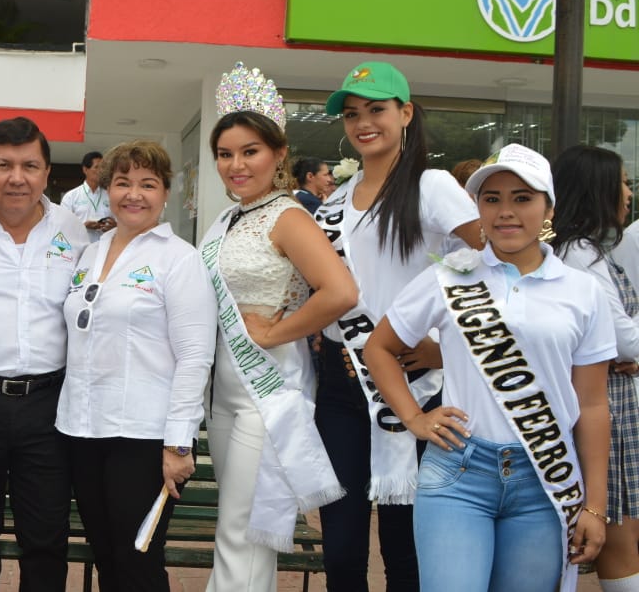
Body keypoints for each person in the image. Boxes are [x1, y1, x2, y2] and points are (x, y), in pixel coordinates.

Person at [364, 143, 612, 592]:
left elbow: (593, 405)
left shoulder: (584, 291)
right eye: (491, 199)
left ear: (548, 208)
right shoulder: (449, 276)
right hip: (458, 471)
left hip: (544, 476)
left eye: (522, 198)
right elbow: (379, 348)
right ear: (476, 207)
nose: (505, 212)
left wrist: (595, 505)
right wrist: (414, 418)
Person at [313, 61, 482, 592]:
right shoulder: (335, 202)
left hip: (419, 385)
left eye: (377, 110)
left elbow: (487, 260)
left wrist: (443, 348)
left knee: (406, 546)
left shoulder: (431, 185)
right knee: (340, 546)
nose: (364, 122)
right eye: (353, 114)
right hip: (341, 386)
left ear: (405, 113)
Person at [200, 63, 357, 591]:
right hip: (223, 395)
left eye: (250, 152)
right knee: (242, 528)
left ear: (279, 154)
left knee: (242, 533)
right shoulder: (228, 219)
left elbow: (341, 292)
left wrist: (273, 332)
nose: (236, 164)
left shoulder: (289, 216)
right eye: (226, 153)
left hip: (267, 393)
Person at [57, 140, 215, 591]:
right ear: (107, 189)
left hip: (143, 437)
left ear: (166, 193)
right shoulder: (90, 252)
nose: (134, 194)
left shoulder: (179, 259)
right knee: (107, 556)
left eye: (148, 184)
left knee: (137, 560)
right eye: (123, 182)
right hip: (82, 431)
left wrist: (179, 444)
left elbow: (195, 356)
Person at [0, 116, 89, 592]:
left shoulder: (74, 231)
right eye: (4, 165)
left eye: (30, 165)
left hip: (48, 406)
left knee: (47, 537)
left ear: (47, 173)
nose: (17, 177)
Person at [550, 145, 639, 591]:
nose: (628, 194)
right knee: (619, 535)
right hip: (605, 404)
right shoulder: (580, 254)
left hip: (609, 398)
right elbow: (623, 339)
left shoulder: (581, 251)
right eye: (622, 182)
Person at [60, 150, 115, 242]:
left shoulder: (110, 196)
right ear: (85, 170)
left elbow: (121, 222)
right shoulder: (71, 196)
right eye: (97, 167)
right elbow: (62, 224)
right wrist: (83, 226)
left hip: (104, 247)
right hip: (79, 248)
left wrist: (114, 226)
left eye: (102, 168)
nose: (101, 171)